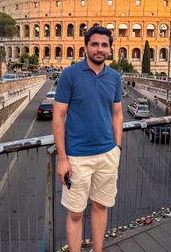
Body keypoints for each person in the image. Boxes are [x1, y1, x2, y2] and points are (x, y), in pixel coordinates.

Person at [53, 26, 123, 252]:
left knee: (101, 207)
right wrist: (62, 158)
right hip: (77, 158)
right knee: (75, 213)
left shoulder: (115, 77)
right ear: (85, 47)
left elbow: (117, 113)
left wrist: (117, 147)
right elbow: (58, 116)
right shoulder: (70, 74)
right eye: (94, 44)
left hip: (107, 155)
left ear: (110, 49)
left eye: (104, 45)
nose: (99, 49)